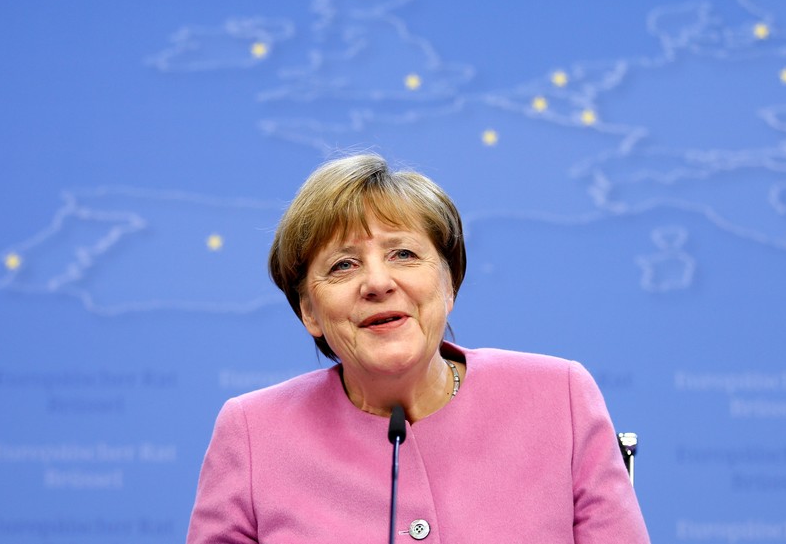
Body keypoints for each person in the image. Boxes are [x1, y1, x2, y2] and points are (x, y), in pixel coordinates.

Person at [186, 153, 651, 543]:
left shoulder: (560, 398)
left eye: (403, 254)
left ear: (449, 283)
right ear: (309, 311)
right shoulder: (251, 433)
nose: (378, 283)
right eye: (344, 265)